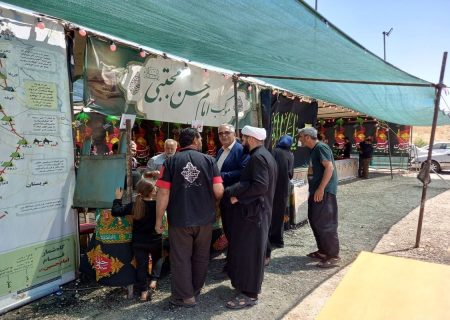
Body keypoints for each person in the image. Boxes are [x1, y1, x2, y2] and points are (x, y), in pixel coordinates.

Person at [155, 128, 224, 308]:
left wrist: (158, 219)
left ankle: (185, 297)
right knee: (201, 256)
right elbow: (219, 191)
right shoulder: (210, 160)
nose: (201, 140)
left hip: (179, 219)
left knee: (181, 257)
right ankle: (195, 290)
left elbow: (163, 192)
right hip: (204, 219)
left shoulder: (170, 162)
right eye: (200, 138)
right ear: (194, 139)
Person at [223, 125, 277, 309]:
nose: (242, 142)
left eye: (244, 139)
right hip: (256, 214)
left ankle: (250, 294)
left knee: (251, 254)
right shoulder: (263, 155)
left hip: (254, 215)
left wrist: (236, 195)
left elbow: (260, 186)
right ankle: (245, 287)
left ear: (252, 139)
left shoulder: (258, 158)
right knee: (249, 252)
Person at [112, 179, 162, 301]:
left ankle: (143, 292)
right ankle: (154, 280)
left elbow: (115, 212)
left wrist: (118, 198)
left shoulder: (134, 205)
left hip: (139, 242)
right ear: (152, 191)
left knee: (141, 267)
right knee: (159, 259)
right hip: (155, 240)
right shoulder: (157, 205)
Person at [297, 127, 340, 268]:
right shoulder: (315, 149)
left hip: (325, 192)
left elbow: (329, 168)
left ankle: (333, 255)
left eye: (301, 136)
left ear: (308, 137)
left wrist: (321, 188)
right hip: (318, 191)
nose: (300, 139)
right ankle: (323, 251)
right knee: (315, 220)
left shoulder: (321, 147)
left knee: (325, 222)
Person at [214, 123, 249, 279]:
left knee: (235, 232)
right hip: (223, 198)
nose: (223, 136)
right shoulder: (220, 150)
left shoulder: (240, 150)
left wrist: (221, 176)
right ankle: (231, 262)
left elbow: (244, 172)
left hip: (235, 198)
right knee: (228, 231)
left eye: (226, 132)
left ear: (234, 133)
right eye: (220, 133)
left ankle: (234, 266)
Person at [267, 135, 294, 255]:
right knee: (280, 213)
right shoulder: (290, 154)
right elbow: (291, 173)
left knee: (270, 212)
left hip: (273, 187)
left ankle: (269, 238)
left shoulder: (273, 152)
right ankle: (278, 239)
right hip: (284, 188)